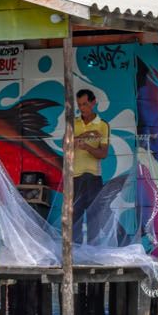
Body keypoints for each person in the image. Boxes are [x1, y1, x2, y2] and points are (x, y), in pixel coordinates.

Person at [71, 87, 111, 239]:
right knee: (75, 218)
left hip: (94, 177)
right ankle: (74, 255)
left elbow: (103, 154)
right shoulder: (73, 123)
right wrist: (85, 135)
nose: (82, 108)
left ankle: (92, 256)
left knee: (95, 218)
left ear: (93, 103)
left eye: (85, 104)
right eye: (80, 105)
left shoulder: (102, 125)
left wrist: (87, 147)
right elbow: (65, 146)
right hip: (74, 176)